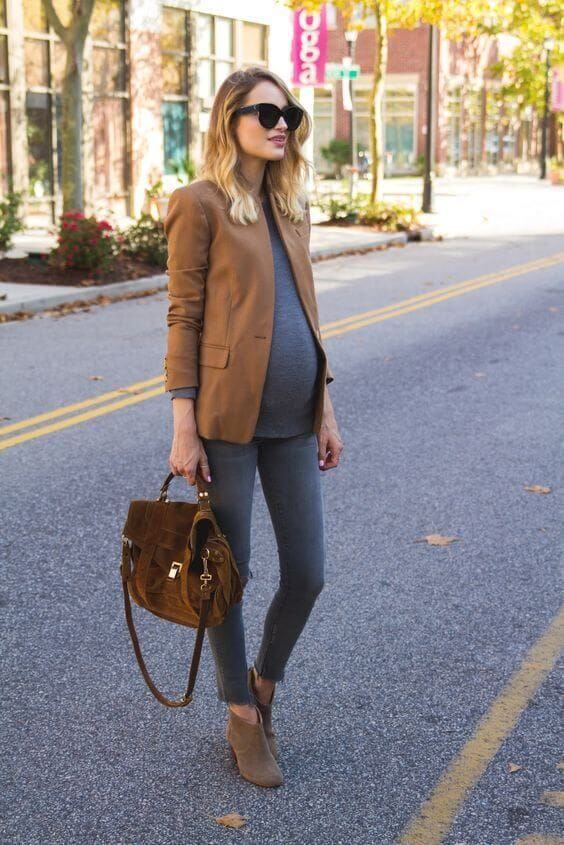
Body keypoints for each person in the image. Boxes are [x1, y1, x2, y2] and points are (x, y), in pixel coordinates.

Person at [163, 66, 344, 788]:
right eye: (264, 111)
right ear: (228, 119)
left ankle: (263, 684)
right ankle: (240, 713)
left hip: (294, 420)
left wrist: (323, 405)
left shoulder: (291, 204)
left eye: (289, 112)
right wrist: (184, 423)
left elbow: (308, 310)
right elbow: (184, 314)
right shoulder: (199, 204)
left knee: (308, 571)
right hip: (226, 422)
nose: (281, 123)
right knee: (226, 577)